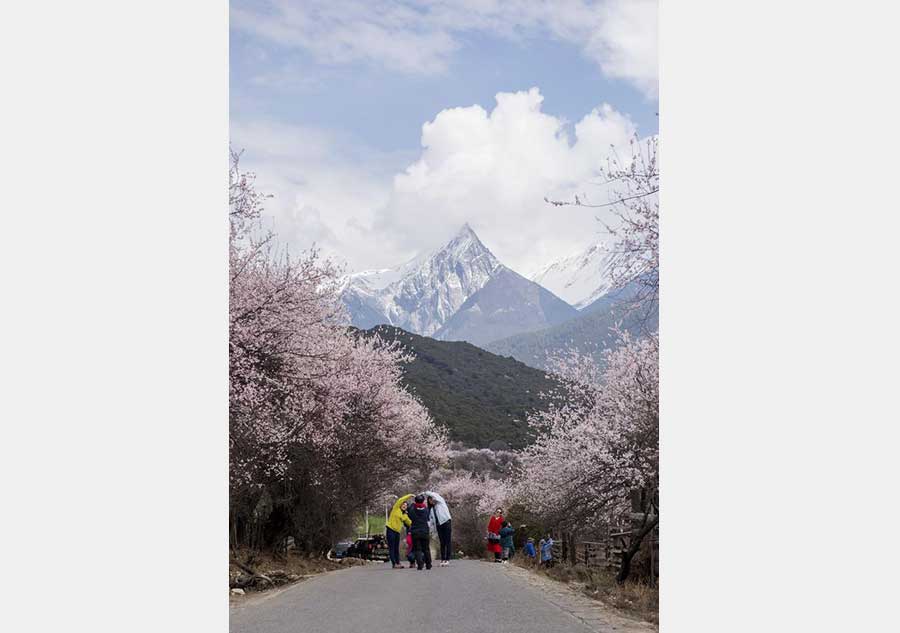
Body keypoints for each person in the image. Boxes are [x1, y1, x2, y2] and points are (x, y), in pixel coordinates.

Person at [385, 493, 413, 569]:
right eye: (403, 504)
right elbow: (400, 500)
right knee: (392, 548)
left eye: (406, 505)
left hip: (397, 532)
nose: (404, 506)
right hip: (390, 530)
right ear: (400, 505)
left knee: (396, 548)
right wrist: (409, 496)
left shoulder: (405, 515)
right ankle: (394, 563)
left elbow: (410, 522)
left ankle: (398, 562)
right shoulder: (396, 508)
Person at [425, 490, 452, 566]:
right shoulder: (431, 510)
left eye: (432, 499)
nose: (431, 501)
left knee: (447, 541)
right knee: (442, 542)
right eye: (429, 500)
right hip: (439, 525)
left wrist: (425, 493)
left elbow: (435, 495)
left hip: (446, 522)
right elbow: (432, 522)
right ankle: (443, 559)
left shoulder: (441, 502)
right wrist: (432, 532)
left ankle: (447, 559)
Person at [408, 494, 433, 570]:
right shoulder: (426, 510)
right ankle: (428, 564)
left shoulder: (412, 510)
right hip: (425, 531)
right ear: (423, 501)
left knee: (417, 549)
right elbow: (428, 519)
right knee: (426, 549)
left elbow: (409, 515)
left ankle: (420, 564)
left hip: (415, 531)